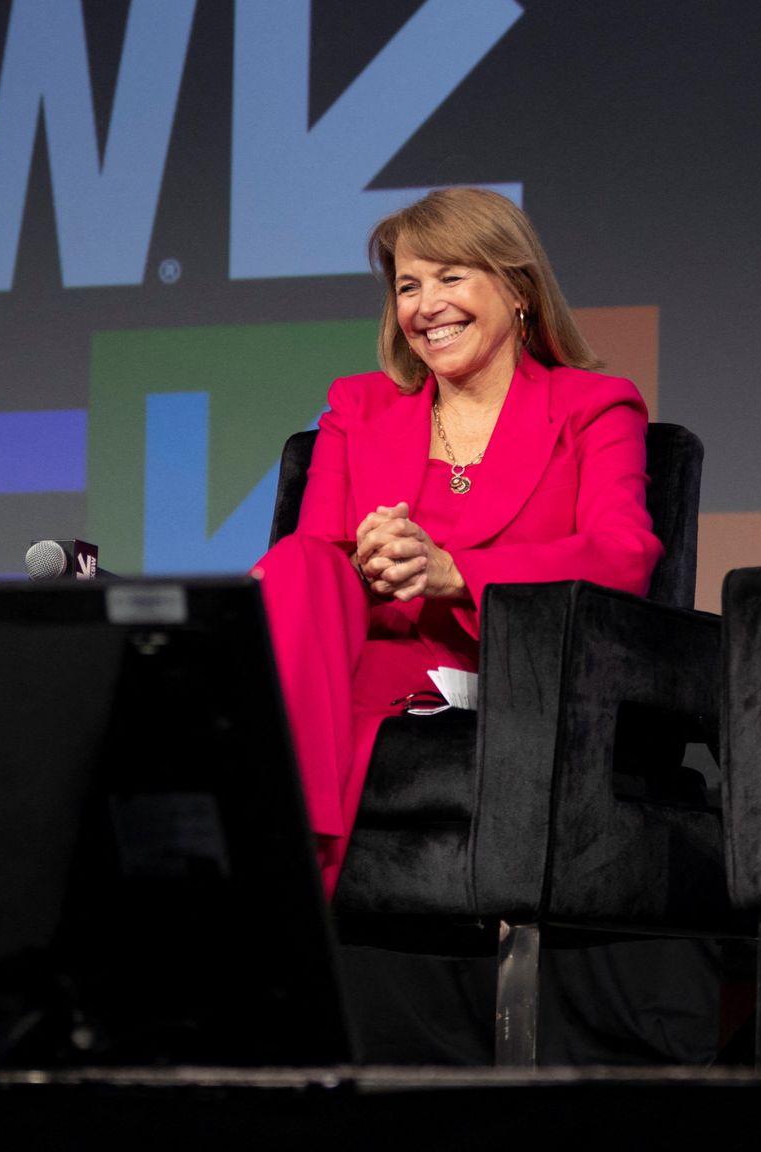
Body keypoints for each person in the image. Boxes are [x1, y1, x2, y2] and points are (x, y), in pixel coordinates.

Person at [251, 186, 661, 894]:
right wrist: (365, 561)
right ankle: (273, 843)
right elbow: (315, 562)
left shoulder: (594, 407)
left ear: (518, 288)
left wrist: (455, 573)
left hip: (498, 675)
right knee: (296, 563)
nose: (424, 305)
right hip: (356, 668)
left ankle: (271, 858)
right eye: (408, 285)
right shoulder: (359, 406)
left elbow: (623, 556)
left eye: (450, 277)